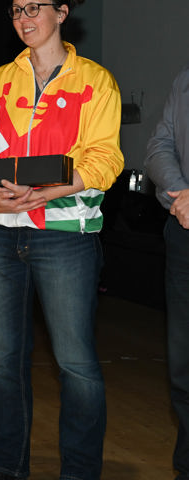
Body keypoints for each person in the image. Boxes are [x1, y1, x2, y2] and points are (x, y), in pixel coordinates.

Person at [0, 1, 123, 479]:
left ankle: (78, 472)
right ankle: (7, 466)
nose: (24, 18)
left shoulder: (95, 80)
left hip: (64, 236)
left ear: (62, 12)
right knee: (2, 364)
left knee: (76, 365)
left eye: (35, 7)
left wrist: (44, 195)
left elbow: (105, 160)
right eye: (16, 10)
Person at [145, 65, 189, 480]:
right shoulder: (184, 79)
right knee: (183, 365)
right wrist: (182, 193)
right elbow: (159, 145)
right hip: (184, 231)